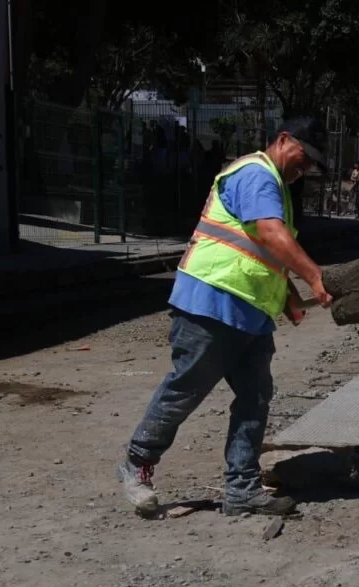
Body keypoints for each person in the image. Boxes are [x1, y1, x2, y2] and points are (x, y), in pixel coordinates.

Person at [116, 117, 333, 518]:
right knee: (187, 388)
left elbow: (264, 252)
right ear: (284, 140)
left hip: (248, 315)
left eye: (314, 164)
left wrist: (289, 299)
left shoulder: (277, 188)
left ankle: (242, 488)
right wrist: (315, 275)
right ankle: (137, 463)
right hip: (210, 302)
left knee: (255, 396)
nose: (307, 168)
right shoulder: (255, 174)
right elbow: (269, 233)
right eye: (305, 156)